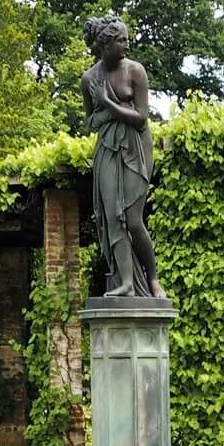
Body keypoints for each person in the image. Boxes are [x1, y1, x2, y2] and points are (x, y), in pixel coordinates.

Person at [83, 15, 165, 298]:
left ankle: (153, 280)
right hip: (107, 148)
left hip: (136, 148)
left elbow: (141, 118)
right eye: (121, 40)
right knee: (112, 217)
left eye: (126, 38)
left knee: (132, 218)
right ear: (104, 45)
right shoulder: (89, 78)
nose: (127, 44)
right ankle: (127, 283)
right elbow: (90, 122)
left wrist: (107, 104)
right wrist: (103, 111)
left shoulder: (135, 71)